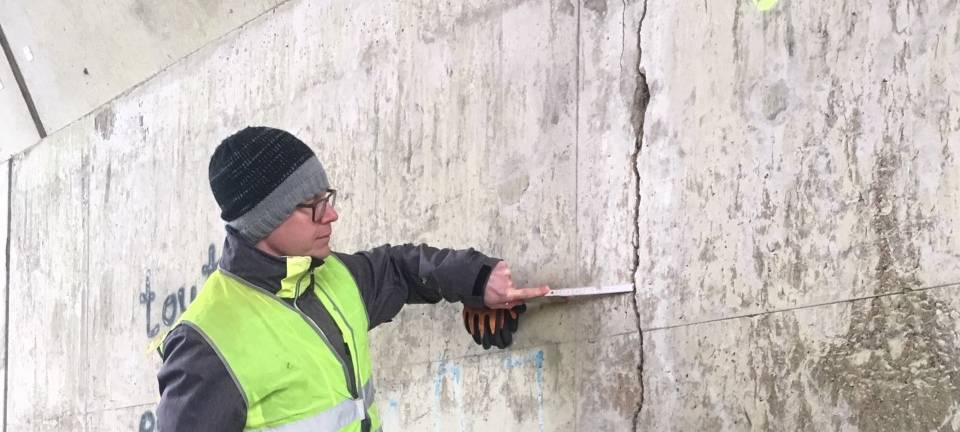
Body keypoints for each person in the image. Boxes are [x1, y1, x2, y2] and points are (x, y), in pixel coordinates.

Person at [155, 126, 550, 432]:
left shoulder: (332, 277)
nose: (331, 215)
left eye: (327, 198)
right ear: (264, 219)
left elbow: (401, 268)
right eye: (311, 206)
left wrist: (478, 281)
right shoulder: (207, 347)